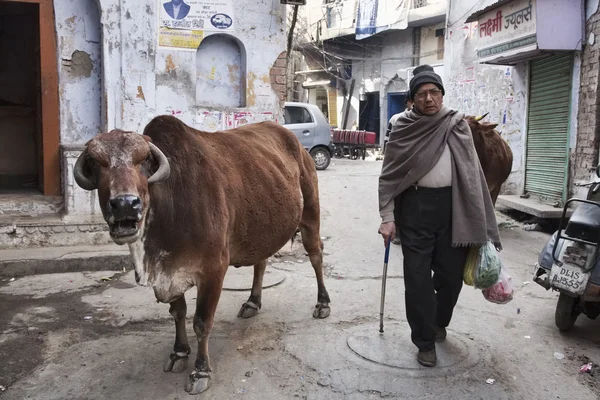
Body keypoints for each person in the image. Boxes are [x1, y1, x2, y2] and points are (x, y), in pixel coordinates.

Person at [377, 65, 501, 367]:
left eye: (434, 92)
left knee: (450, 278)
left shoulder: (457, 124)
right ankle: (424, 341)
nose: (429, 98)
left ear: (442, 94)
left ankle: (438, 322)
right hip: (415, 210)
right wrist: (387, 216)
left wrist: (481, 219)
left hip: (452, 209)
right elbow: (389, 175)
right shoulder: (403, 128)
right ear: (412, 100)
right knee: (417, 279)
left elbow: (472, 175)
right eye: (421, 94)